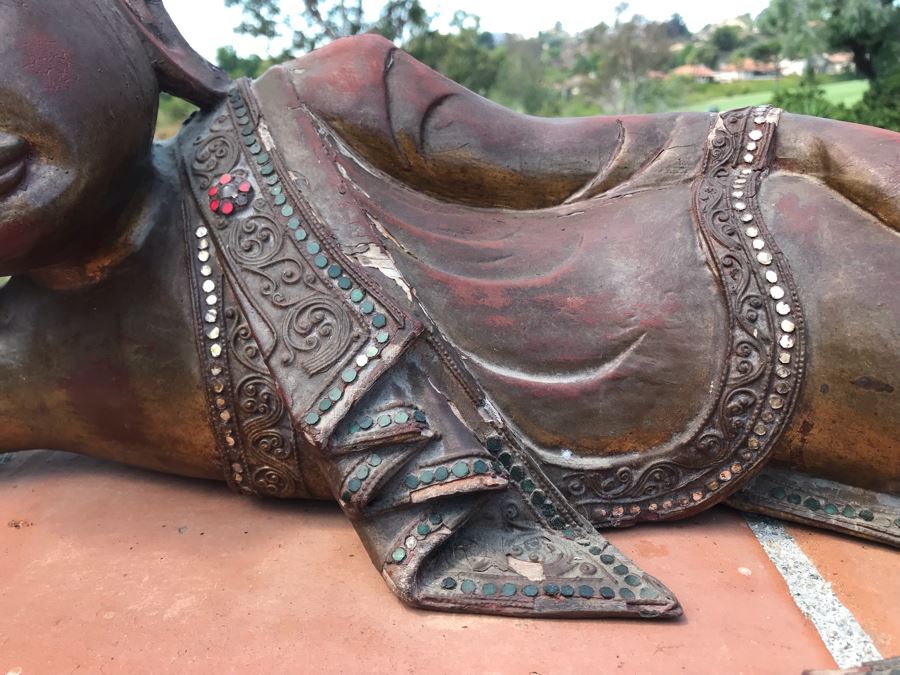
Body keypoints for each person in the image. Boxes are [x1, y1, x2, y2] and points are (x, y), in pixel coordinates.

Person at [0, 0, 896, 618]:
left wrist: (833, 150)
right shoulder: (26, 357)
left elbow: (648, 151)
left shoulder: (326, 102)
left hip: (765, 281)